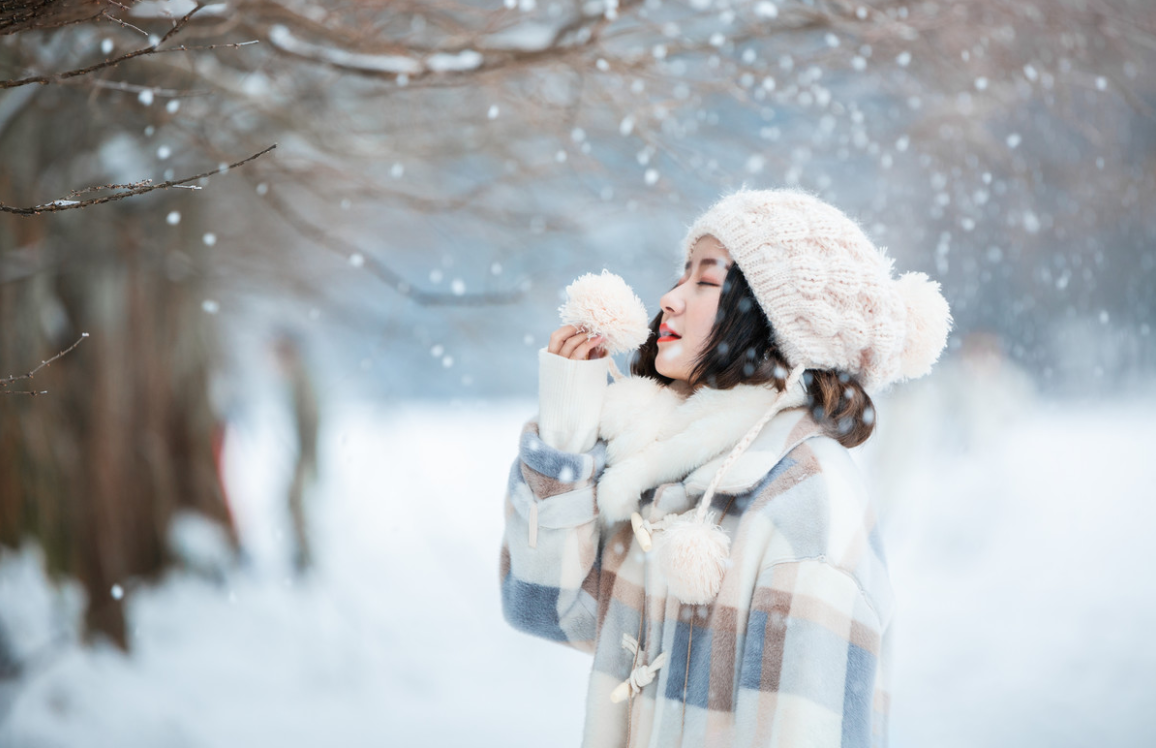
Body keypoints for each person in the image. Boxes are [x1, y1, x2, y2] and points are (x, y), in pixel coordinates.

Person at [499, 188, 951, 748]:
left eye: (706, 282)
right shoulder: (678, 482)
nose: (669, 298)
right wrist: (567, 430)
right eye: (681, 275)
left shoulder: (805, 507)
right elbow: (546, 608)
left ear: (776, 324)